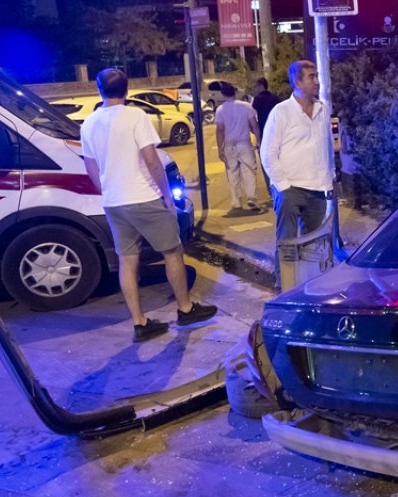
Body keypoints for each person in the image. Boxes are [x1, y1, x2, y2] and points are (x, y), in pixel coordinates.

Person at [79, 68, 217, 341]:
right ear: (127, 89)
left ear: (99, 90)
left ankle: (140, 323)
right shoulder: (136, 116)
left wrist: (106, 192)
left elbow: (90, 167)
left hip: (114, 203)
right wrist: (166, 195)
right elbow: (152, 160)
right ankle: (185, 308)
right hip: (143, 197)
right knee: (172, 252)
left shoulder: (89, 124)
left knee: (127, 262)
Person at [261, 60, 333, 290]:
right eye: (311, 77)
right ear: (297, 81)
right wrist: (282, 186)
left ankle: (308, 287)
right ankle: (285, 289)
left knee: (313, 244)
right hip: (291, 188)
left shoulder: (323, 109)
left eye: (316, 76)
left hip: (318, 188)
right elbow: (268, 152)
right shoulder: (281, 112)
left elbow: (327, 146)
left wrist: (329, 178)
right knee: (288, 243)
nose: (317, 81)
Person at [214, 82, 262, 212]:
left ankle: (236, 201)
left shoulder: (220, 110)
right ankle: (251, 197)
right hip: (244, 143)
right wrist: (258, 141)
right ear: (234, 92)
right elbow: (254, 125)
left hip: (229, 145)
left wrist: (220, 148)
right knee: (249, 170)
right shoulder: (246, 106)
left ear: (223, 94)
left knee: (232, 172)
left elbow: (220, 130)